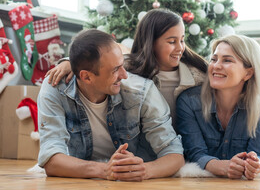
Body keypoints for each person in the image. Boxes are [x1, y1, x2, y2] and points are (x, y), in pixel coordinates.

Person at [46, 9, 260, 127]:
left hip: (183, 147)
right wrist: (67, 62)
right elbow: (98, 59)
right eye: (171, 41)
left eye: (183, 39)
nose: (180, 48)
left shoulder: (197, 72)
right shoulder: (129, 70)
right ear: (151, 42)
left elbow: (230, 75)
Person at [37, 29, 184, 181]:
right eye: (115, 70)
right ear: (86, 77)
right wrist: (104, 170)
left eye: (122, 65)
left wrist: (146, 170)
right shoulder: (55, 90)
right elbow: (51, 159)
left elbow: (174, 154)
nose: (124, 75)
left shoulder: (141, 91)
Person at [176, 35, 260, 180]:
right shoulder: (189, 101)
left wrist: (255, 164)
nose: (216, 66)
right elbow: (196, 153)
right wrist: (221, 166)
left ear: (248, 73)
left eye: (227, 60)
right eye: (214, 59)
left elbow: (259, 154)